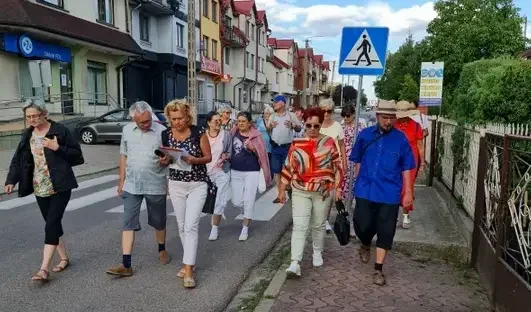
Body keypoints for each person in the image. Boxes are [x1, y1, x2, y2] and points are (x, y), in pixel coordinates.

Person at [5, 101, 83, 282]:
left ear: (44, 114)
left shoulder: (60, 130)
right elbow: (18, 159)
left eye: (35, 115)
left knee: (51, 224)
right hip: (39, 186)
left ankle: (43, 269)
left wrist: (58, 148)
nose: (32, 119)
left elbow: (77, 154)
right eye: (28, 116)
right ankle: (64, 258)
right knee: (52, 223)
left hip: (60, 185)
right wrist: (11, 180)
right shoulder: (27, 134)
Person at [349, 99, 416, 286]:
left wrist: (408, 192)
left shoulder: (400, 139)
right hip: (365, 189)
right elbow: (357, 160)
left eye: (391, 118)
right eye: (385, 117)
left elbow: (407, 167)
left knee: (386, 231)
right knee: (362, 225)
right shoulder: (364, 135)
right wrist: (356, 183)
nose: (388, 121)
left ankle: (378, 269)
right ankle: (364, 243)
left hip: (389, 192)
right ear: (377, 117)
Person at [106, 101, 171, 278]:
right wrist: (121, 181)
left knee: (158, 221)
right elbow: (123, 156)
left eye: (148, 120)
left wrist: (167, 160)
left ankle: (162, 248)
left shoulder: (162, 131)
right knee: (128, 222)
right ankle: (126, 264)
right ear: (133, 119)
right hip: (132, 184)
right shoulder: (127, 130)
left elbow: (170, 156)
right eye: (141, 122)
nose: (145, 124)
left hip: (155, 183)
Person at [279, 107, 343, 278]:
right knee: (300, 226)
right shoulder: (297, 144)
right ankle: (295, 263)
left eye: (316, 125)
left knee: (318, 224)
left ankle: (317, 252)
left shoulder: (329, 142)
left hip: (323, 191)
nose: (313, 129)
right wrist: (282, 189)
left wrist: (338, 188)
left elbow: (337, 166)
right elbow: (288, 167)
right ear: (304, 125)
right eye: (309, 125)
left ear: (321, 124)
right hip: (300, 189)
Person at [163, 99, 212, 288]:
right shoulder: (166, 134)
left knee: (191, 225)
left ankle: (189, 269)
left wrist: (194, 159)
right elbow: (166, 158)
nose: (177, 122)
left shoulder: (198, 131)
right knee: (182, 225)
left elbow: (208, 157)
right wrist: (164, 160)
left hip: (197, 184)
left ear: (187, 116)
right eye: (173, 119)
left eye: (180, 118)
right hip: (176, 184)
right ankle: (188, 261)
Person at [230, 111, 272, 241]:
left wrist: (253, 148)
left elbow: (262, 154)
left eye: (243, 121)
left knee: (249, 198)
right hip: (235, 170)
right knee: (236, 201)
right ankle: (245, 211)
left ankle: (245, 227)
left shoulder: (256, 135)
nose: (240, 123)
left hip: (252, 171)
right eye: (239, 121)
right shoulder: (233, 132)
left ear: (249, 123)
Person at [395, 101, 426, 229]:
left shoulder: (416, 126)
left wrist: (423, 162)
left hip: (411, 161)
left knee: (408, 187)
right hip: (395, 160)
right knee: (395, 186)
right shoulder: (393, 125)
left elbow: (420, 146)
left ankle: (406, 215)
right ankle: (393, 213)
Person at [318, 98, 347, 233]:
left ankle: (325, 220)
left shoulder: (337, 126)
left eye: (329, 111)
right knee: (318, 193)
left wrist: (344, 163)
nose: (326, 114)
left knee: (329, 194)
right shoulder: (315, 125)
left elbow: (342, 147)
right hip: (317, 164)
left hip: (333, 164)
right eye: (323, 111)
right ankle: (318, 218)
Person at [267, 94, 302, 203]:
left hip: (287, 147)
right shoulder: (272, 116)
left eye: (275, 102)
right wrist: (271, 127)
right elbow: (268, 129)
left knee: (289, 170)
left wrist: (293, 125)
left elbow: (299, 128)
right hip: (276, 147)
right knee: (276, 171)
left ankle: (290, 188)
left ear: (282, 103)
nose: (273, 104)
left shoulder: (290, 115)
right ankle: (280, 194)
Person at [204, 111, 232, 241]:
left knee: (220, 199)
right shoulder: (203, 136)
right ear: (209, 123)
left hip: (221, 171)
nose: (217, 123)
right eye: (215, 121)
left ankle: (214, 228)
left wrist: (226, 157)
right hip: (204, 173)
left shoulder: (225, 135)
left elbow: (230, 152)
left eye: (219, 120)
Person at [255, 105, 274, 175]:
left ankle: (269, 179)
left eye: (269, 114)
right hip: (260, 145)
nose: (267, 115)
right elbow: (255, 132)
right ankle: (262, 180)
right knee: (261, 164)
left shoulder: (274, 122)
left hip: (270, 146)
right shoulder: (259, 121)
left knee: (269, 163)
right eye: (266, 113)